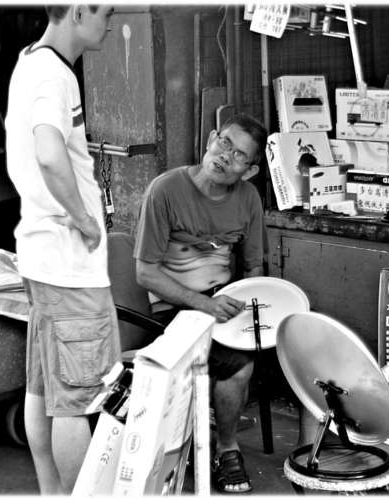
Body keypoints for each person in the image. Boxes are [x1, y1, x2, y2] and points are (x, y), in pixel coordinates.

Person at [5, 5, 121, 494]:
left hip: (41, 254)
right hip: (67, 263)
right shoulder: (55, 74)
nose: (110, 22)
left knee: (45, 389)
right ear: (77, 10)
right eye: (106, 12)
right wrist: (84, 218)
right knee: (77, 400)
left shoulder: (29, 59)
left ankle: (52, 493)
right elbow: (50, 154)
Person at [134, 113, 267, 493]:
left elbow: (254, 268)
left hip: (222, 304)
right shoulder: (165, 190)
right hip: (170, 308)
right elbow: (145, 273)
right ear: (210, 139)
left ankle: (221, 443)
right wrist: (203, 305)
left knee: (270, 351)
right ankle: (223, 447)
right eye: (224, 143)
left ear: (250, 170)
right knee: (234, 362)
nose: (226, 156)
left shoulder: (248, 199)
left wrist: (248, 310)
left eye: (239, 155)